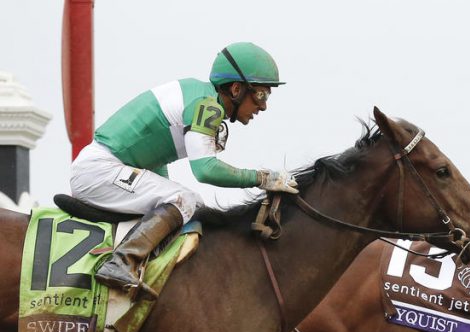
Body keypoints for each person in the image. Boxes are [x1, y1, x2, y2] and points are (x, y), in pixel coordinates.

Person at [70, 42, 299, 297]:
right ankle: (120, 262)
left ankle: (143, 264)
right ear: (236, 89)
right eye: (261, 95)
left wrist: (164, 194)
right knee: (186, 199)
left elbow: (154, 158)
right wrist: (263, 178)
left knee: (184, 201)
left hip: (105, 170)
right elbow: (206, 170)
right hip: (99, 171)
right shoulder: (206, 105)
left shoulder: (198, 96)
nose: (264, 106)